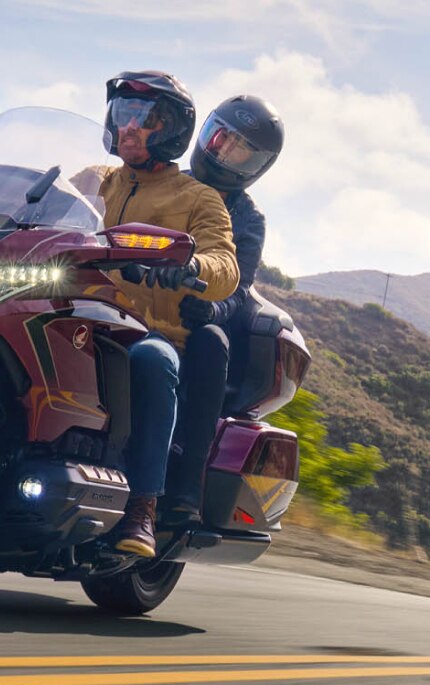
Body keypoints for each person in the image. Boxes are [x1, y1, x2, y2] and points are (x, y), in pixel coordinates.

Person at [98, 71, 240, 557]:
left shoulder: (198, 198)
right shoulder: (96, 181)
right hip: (78, 312)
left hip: (145, 330)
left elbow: (226, 266)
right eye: (123, 114)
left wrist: (191, 266)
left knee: (153, 362)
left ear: (172, 130)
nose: (129, 126)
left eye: (144, 118)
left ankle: (142, 507)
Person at [164, 95, 285, 524]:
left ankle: (186, 485)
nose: (224, 152)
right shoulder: (165, 183)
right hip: (137, 297)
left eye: (241, 152)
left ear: (257, 166)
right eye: (221, 139)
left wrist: (210, 311)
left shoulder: (248, 219)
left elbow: (239, 288)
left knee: (212, 343)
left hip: (196, 316)